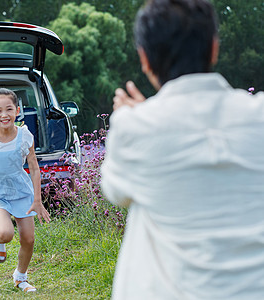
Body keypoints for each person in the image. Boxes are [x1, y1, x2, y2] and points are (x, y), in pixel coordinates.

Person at [101, 0, 264, 299]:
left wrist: (138, 117)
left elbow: (115, 192)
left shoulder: (134, 126)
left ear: (144, 58)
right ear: (214, 47)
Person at [0, 88, 51, 292]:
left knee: (28, 238)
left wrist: (37, 200)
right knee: (7, 233)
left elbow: (33, 167)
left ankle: (20, 277)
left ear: (17, 111)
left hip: (21, 191)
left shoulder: (24, 135)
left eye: (9, 109)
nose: (4, 115)